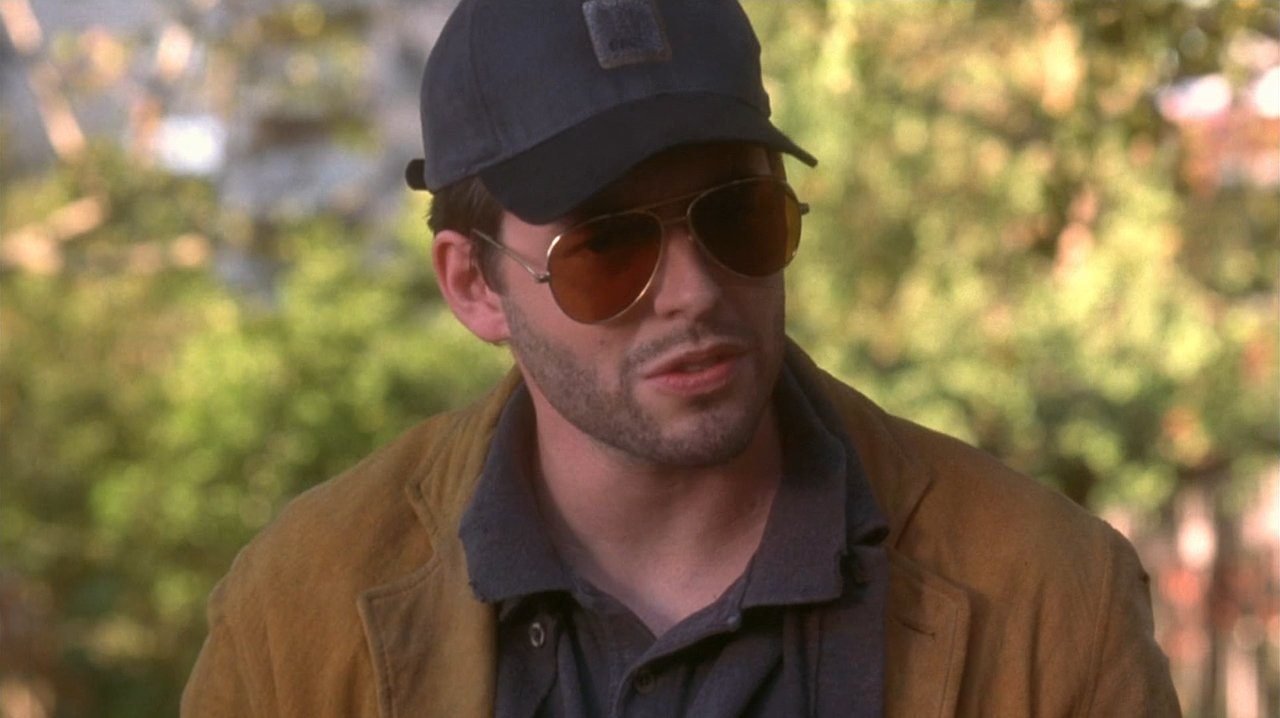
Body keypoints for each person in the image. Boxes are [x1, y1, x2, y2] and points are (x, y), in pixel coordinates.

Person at [181, 0, 1180, 716]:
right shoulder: (298, 609)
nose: (695, 290)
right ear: (474, 286)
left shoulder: (1049, 592)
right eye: (606, 247)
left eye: (737, 215)